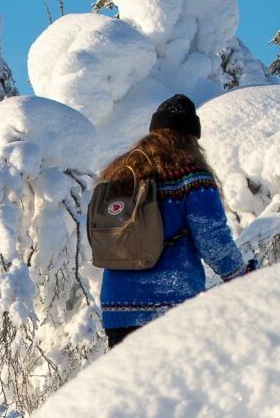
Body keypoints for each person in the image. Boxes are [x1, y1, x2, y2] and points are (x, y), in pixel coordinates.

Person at [97, 94, 252, 348]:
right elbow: (213, 238)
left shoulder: (119, 172)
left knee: (131, 385)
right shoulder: (190, 177)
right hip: (171, 305)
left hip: (117, 308)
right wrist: (240, 275)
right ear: (191, 137)